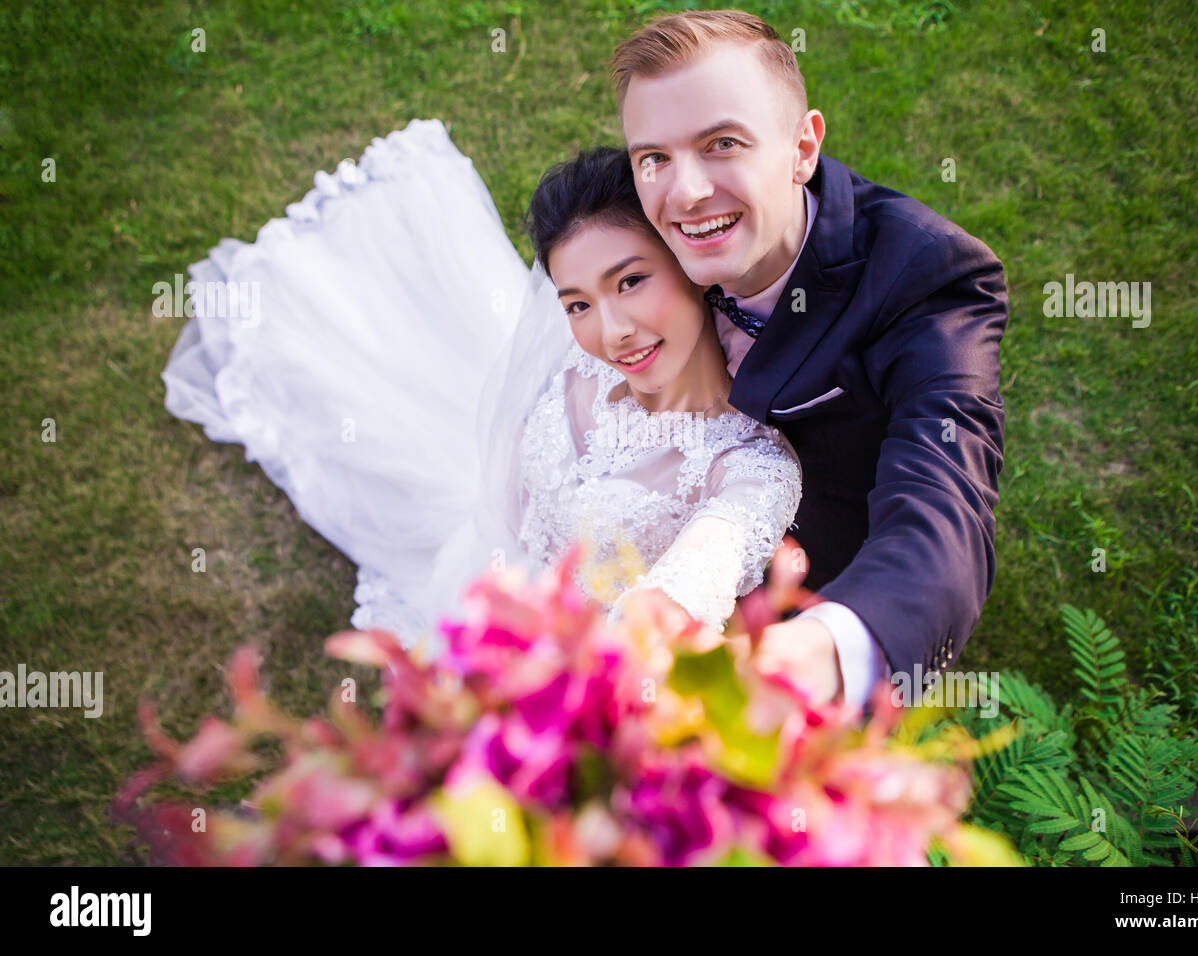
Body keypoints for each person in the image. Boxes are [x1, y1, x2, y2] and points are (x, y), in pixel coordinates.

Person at [161, 119, 803, 665]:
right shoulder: (577, 368)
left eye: (631, 281)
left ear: (691, 264)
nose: (612, 334)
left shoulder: (751, 469)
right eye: (577, 303)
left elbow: (692, 582)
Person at [608, 9, 1009, 712]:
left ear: (802, 148)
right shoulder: (641, 242)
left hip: (822, 569)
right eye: (654, 157)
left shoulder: (923, 276)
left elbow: (944, 503)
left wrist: (828, 647)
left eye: (723, 143)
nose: (687, 193)